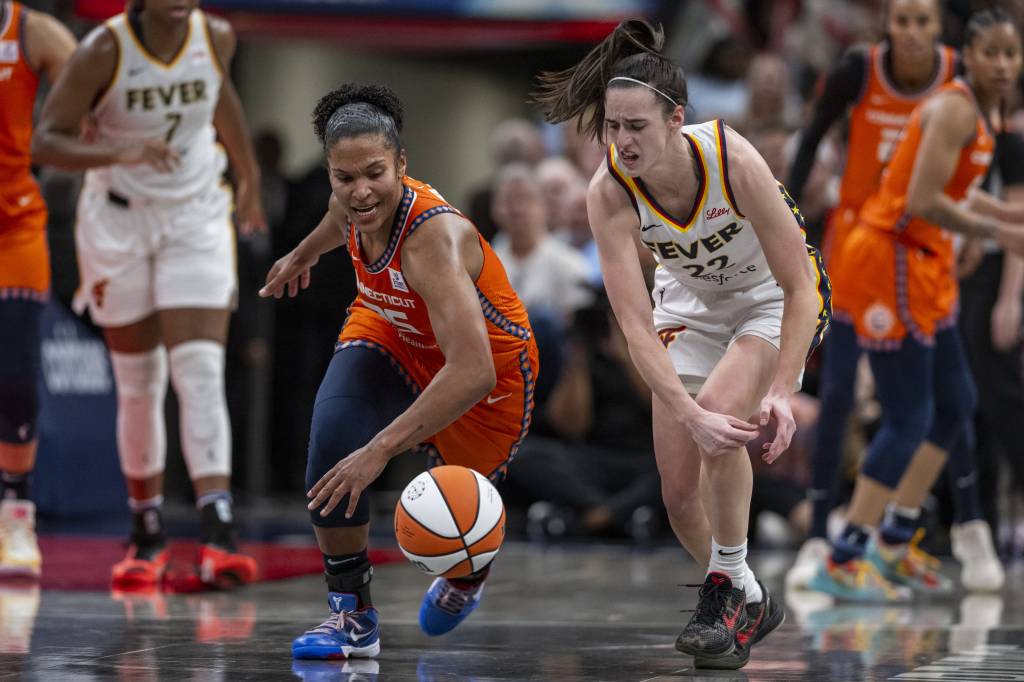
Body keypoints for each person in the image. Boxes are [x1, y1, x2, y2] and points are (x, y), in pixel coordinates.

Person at [534, 18, 830, 669]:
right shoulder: (609, 191)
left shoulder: (732, 157)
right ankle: (750, 593)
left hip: (768, 299)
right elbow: (635, 327)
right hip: (690, 310)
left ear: (675, 120)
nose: (622, 141)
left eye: (636, 126)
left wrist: (783, 389)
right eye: (613, 126)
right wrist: (683, 409)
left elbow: (800, 284)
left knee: (722, 409)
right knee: (676, 492)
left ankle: (721, 587)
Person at [258, 83, 539, 660]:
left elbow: (473, 370)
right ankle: (352, 618)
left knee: (462, 525)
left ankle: (467, 576)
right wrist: (305, 253)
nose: (360, 191)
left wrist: (380, 450)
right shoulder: (350, 199)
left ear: (402, 164)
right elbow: (340, 217)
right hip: (388, 327)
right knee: (331, 455)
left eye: (374, 173)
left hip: (488, 370)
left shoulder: (430, 240)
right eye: (345, 176)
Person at [31, 0, 266, 590]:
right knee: (139, 383)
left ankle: (218, 530)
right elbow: (47, 142)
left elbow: (221, 99)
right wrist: (120, 151)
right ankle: (146, 532)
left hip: (194, 216)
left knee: (200, 371)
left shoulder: (215, 36)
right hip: (118, 222)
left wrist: (249, 177)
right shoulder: (104, 51)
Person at [809, 7, 1024, 602]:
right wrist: (1000, 234)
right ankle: (844, 554)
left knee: (957, 403)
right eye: (993, 54)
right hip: (890, 258)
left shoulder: (982, 110)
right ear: (968, 56)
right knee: (908, 417)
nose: (1004, 65)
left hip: (924, 264)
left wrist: (1007, 216)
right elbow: (926, 201)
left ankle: (895, 540)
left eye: (1014, 53)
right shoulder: (956, 108)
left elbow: (958, 197)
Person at [784, 0, 965, 590]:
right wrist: (791, 222)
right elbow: (809, 140)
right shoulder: (857, 71)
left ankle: (919, 528)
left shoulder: (960, 76)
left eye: (922, 20)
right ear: (887, 22)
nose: (911, 32)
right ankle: (825, 536)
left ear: (939, 28)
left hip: (925, 252)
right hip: (862, 248)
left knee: (948, 397)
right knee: (841, 392)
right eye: (903, 19)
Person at [0, 1, 76, 578]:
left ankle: (15, 512)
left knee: (17, 376)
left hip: (15, 226)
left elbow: (99, 101)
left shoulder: (32, 31)